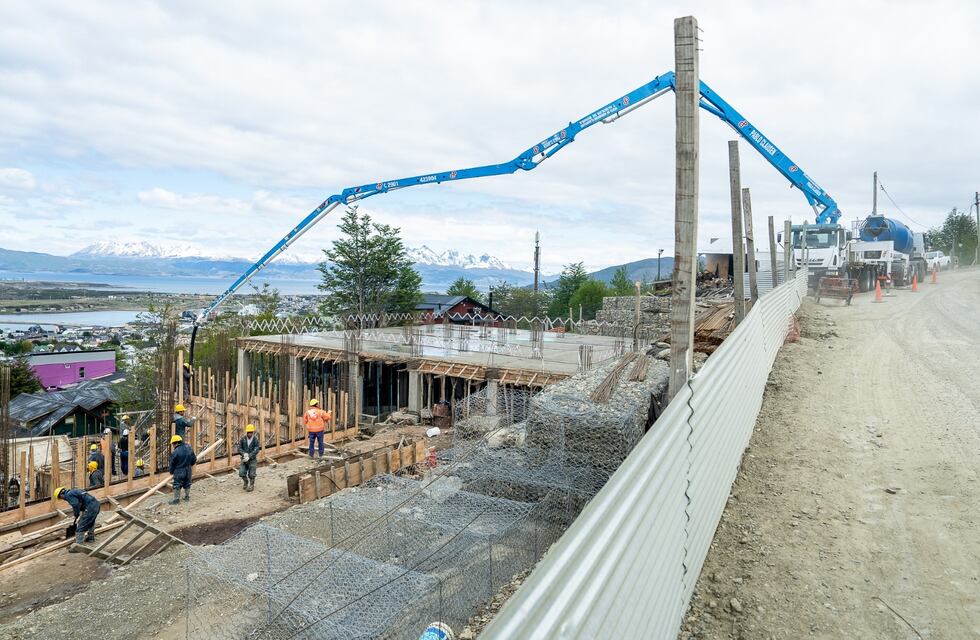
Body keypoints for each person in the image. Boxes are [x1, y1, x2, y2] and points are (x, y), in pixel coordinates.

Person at [168, 434, 196, 505]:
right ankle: (187, 497)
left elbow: (172, 463)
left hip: (179, 470)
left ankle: (176, 500)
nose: (173, 445)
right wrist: (190, 465)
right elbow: (194, 459)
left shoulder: (175, 452)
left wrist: (171, 471)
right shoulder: (189, 447)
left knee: (177, 484)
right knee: (187, 483)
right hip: (188, 469)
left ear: (176, 443)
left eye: (173, 444)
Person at [237, 424, 261, 492]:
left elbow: (256, 450)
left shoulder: (255, 440)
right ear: (247, 432)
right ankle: (246, 482)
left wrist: (249, 456)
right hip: (244, 459)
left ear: (253, 432)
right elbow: (239, 448)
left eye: (251, 432)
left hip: (252, 460)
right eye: (249, 432)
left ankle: (251, 485)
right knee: (241, 473)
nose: (250, 434)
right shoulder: (243, 439)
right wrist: (244, 454)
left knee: (252, 474)